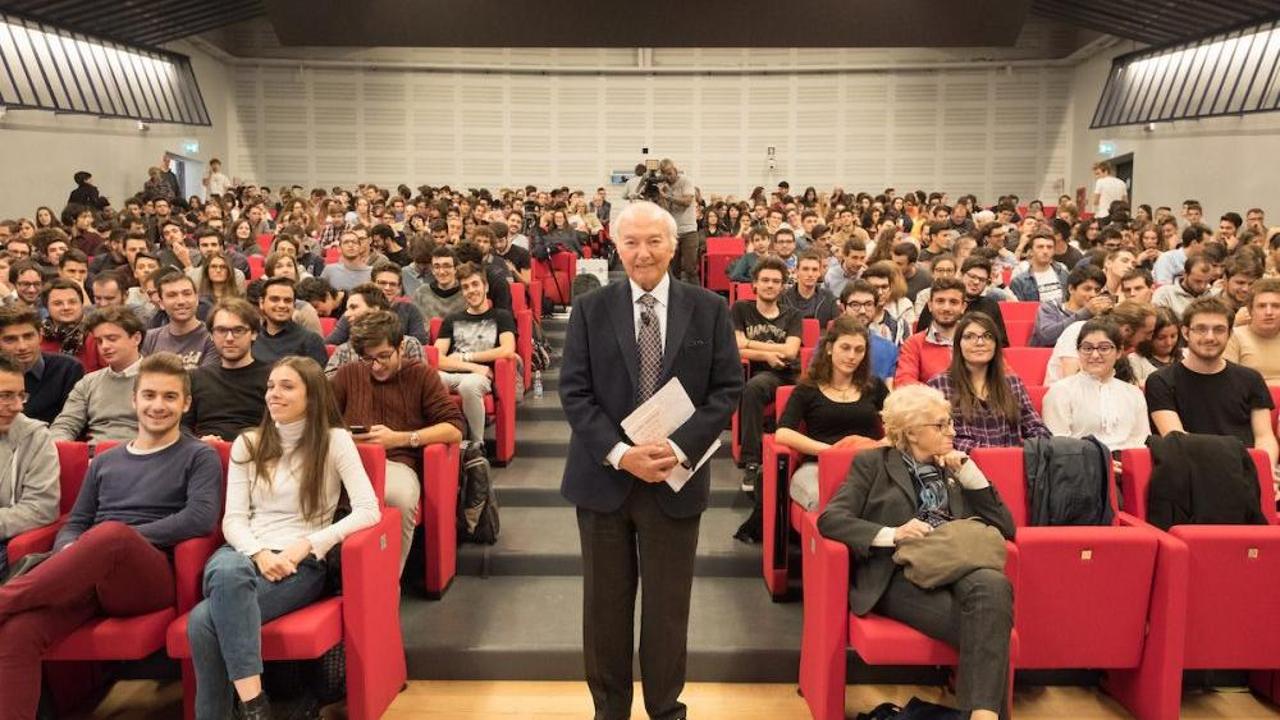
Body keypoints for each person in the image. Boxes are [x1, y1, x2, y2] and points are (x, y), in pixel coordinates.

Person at [559, 201, 742, 720]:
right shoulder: (591, 309)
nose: (643, 252)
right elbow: (574, 394)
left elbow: (727, 390)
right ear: (617, 247)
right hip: (603, 480)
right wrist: (621, 454)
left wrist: (679, 447)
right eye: (632, 242)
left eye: (653, 241)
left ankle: (666, 711)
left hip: (675, 481)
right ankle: (608, 712)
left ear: (673, 245)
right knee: (605, 611)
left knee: (666, 611)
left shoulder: (709, 307)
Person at [0, 352, 221, 719]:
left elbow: (198, 519)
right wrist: (71, 547)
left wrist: (111, 541)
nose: (158, 406)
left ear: (186, 404)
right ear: (134, 399)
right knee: (19, 632)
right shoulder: (106, 459)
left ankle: (5, 598)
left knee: (111, 535)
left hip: (145, 578)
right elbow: (77, 520)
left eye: (169, 397)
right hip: (87, 574)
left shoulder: (198, 455)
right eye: (149, 395)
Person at [187, 356, 379, 720]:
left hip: (300, 561)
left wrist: (310, 543)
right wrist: (258, 553)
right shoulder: (249, 442)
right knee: (229, 573)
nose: (274, 393)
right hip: (243, 550)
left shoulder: (334, 441)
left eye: (287, 386)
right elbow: (234, 519)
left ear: (313, 395)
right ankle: (254, 706)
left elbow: (368, 510)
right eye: (272, 386)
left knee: (202, 622)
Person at [817, 383, 1015, 720]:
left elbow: (1005, 527)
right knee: (989, 625)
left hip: (958, 564)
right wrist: (893, 534)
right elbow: (831, 519)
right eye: (940, 425)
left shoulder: (954, 468)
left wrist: (970, 473)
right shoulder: (872, 464)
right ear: (910, 431)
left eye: (949, 422)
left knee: (994, 586)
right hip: (899, 575)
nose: (952, 431)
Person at [332, 311, 465, 570]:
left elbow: (454, 428)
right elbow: (323, 422)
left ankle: (386, 583)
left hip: (396, 461)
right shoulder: (348, 374)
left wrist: (401, 439)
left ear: (400, 347)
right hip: (347, 462)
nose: (377, 366)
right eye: (368, 359)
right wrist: (344, 438)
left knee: (397, 497)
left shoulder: (422, 375)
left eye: (384, 356)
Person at [1146, 297, 1278, 470]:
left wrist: (1265, 470)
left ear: (1230, 334)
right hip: (1193, 471)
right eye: (1201, 329)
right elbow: (1177, 440)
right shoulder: (1161, 381)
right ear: (1186, 333)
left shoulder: (1251, 378)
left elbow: (1264, 437)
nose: (1210, 337)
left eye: (1219, 330)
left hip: (1246, 470)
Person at [777, 316, 889, 511]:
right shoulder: (808, 388)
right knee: (823, 501)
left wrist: (885, 443)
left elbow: (897, 422)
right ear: (829, 348)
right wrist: (832, 452)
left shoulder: (874, 386)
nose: (852, 356)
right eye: (845, 348)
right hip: (819, 465)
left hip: (869, 466)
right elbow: (783, 433)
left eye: (859, 350)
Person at [928, 312, 1051, 451]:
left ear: (996, 344)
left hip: (1012, 464)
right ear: (958, 345)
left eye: (987, 336)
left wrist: (1026, 451)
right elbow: (936, 437)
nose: (980, 342)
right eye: (969, 337)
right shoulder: (938, 385)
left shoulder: (1012, 383)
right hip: (963, 467)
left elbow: (1037, 428)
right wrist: (989, 455)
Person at [734, 256, 803, 491]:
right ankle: (752, 461)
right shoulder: (741, 308)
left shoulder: (792, 314)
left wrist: (750, 345)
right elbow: (735, 345)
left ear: (783, 286)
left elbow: (791, 351)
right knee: (753, 388)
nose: (770, 285)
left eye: (776, 281)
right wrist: (766, 355)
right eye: (765, 280)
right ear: (754, 283)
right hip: (757, 373)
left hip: (787, 372)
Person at [434, 264, 517, 446]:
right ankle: (440, 439)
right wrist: (472, 366)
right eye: (465, 287)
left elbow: (507, 349)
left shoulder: (501, 316)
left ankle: (476, 445)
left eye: (475, 285)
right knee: (430, 379)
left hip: (481, 379)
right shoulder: (452, 319)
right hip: (458, 373)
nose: (471, 291)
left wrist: (466, 357)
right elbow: (437, 358)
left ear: (485, 287)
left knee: (469, 385)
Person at [1042, 318, 1151, 450]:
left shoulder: (1133, 393)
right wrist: (1103, 462)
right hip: (1080, 465)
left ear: (1119, 352)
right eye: (1087, 348)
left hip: (1127, 464)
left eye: (1104, 348)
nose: (1094, 355)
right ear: (1078, 351)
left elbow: (1140, 441)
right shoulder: (1061, 391)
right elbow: (1058, 444)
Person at [0, 352, 60, 578]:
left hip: (5, 540)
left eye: (20, 395)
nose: (17, 406)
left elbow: (42, 508)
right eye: (5, 396)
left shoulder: (36, 437)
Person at [50, 306, 147, 442]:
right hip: (93, 455)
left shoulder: (160, 378)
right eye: (99, 341)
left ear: (136, 339)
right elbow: (66, 424)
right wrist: (57, 445)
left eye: (112, 339)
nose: (104, 346)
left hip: (140, 454)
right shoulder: (88, 382)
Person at [185, 299, 271, 442]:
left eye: (238, 330)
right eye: (221, 330)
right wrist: (198, 442)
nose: (229, 338)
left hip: (256, 452)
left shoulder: (272, 377)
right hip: (205, 454)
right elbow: (182, 426)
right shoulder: (195, 377)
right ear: (211, 335)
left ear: (254, 333)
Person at [0, 306, 83, 424]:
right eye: (11, 339)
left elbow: (71, 423)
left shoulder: (68, 369)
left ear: (40, 336)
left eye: (28, 336)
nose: (22, 346)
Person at [325, 284, 425, 375]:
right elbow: (328, 387)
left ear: (375, 310)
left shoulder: (409, 344)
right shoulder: (344, 350)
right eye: (347, 309)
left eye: (353, 307)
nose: (346, 314)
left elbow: (420, 383)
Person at [1046, 301, 1155, 384]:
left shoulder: (1123, 351)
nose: (1150, 338)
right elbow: (1071, 381)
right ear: (1127, 330)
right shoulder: (1079, 331)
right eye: (1148, 333)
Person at [325, 263, 428, 345]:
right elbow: (331, 343)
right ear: (372, 283)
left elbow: (420, 342)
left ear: (399, 288)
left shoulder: (410, 310)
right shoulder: (356, 311)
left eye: (392, 284)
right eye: (382, 283)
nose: (387, 288)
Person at [895, 277, 966, 387]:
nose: (946, 308)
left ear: (963, 307)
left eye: (953, 302)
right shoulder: (914, 344)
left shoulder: (977, 340)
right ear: (930, 305)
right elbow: (904, 382)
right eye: (940, 301)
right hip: (931, 402)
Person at [141, 270, 218, 370]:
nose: (181, 301)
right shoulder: (149, 338)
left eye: (187, 294)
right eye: (172, 295)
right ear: (161, 303)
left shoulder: (213, 337)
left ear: (197, 299)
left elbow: (206, 379)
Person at [251, 277, 328, 367]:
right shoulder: (250, 338)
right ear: (261, 303)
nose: (282, 305)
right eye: (275, 299)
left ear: (294, 305)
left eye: (287, 301)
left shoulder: (310, 340)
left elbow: (318, 379)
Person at [1030, 265, 1108, 347]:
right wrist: (1085, 313)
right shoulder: (1051, 307)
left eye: (1097, 290)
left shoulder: (1099, 314)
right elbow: (1047, 336)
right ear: (1071, 289)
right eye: (1087, 289)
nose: (1093, 294)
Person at [1224, 278, 1280, 383]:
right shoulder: (1235, 337)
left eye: (1276, 306)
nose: (1269, 312)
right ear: (1250, 310)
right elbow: (1229, 383)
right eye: (1261, 306)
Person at [654, 158, 698, 283]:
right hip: (672, 233)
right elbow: (665, 210)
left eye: (670, 173)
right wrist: (661, 197)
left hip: (689, 231)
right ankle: (674, 299)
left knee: (690, 269)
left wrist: (667, 196)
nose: (668, 177)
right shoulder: (665, 186)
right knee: (674, 270)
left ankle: (698, 299)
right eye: (665, 175)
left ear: (675, 170)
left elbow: (687, 202)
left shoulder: (686, 181)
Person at [779, 250, 838, 329]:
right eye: (805, 269)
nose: (810, 274)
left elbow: (837, 329)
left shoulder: (829, 298)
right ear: (796, 272)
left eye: (814, 270)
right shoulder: (783, 298)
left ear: (819, 273)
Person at [1009, 232, 1068, 303]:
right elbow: (1017, 311)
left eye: (1049, 247)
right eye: (1040, 247)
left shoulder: (1062, 272)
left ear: (1054, 251)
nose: (1045, 251)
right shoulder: (1019, 281)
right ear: (1031, 251)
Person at [412, 246, 466, 321]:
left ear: (455, 269)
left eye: (446, 266)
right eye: (437, 267)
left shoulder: (465, 293)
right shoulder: (421, 293)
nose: (442, 272)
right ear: (432, 270)